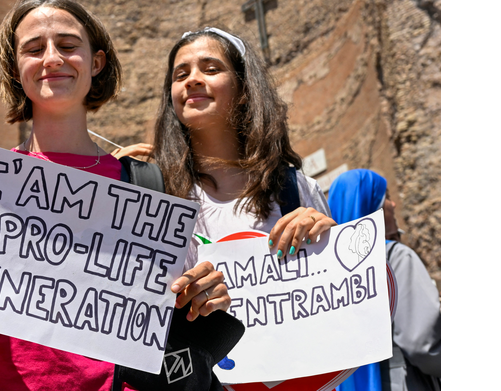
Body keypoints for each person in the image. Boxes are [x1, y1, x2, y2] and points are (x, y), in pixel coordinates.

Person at [0, 0, 232, 391]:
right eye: (34, 49)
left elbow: (172, 315)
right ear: (15, 68)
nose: (52, 58)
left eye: (68, 46)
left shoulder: (146, 185)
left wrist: (204, 296)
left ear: (97, 63)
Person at [152, 27, 337, 269]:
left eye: (211, 69)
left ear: (244, 89)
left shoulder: (298, 191)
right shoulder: (157, 198)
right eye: (180, 75)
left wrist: (331, 243)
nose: (192, 80)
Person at [328, 169, 441, 391]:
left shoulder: (328, 271)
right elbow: (423, 343)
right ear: (374, 207)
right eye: (387, 196)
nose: (394, 204)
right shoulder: (395, 257)